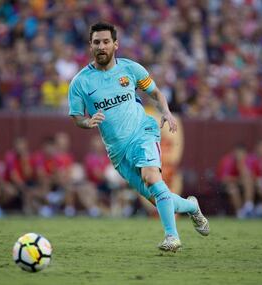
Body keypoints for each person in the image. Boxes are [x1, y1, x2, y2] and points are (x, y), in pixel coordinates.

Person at [68, 22, 209, 252]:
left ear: (115, 44)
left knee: (152, 178)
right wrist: (87, 122)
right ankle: (191, 206)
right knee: (159, 198)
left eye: (105, 42)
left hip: (143, 132)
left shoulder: (131, 70)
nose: (101, 46)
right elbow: (76, 117)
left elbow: (155, 93)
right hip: (118, 152)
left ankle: (172, 237)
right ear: (90, 46)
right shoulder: (80, 82)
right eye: (96, 42)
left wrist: (166, 112)